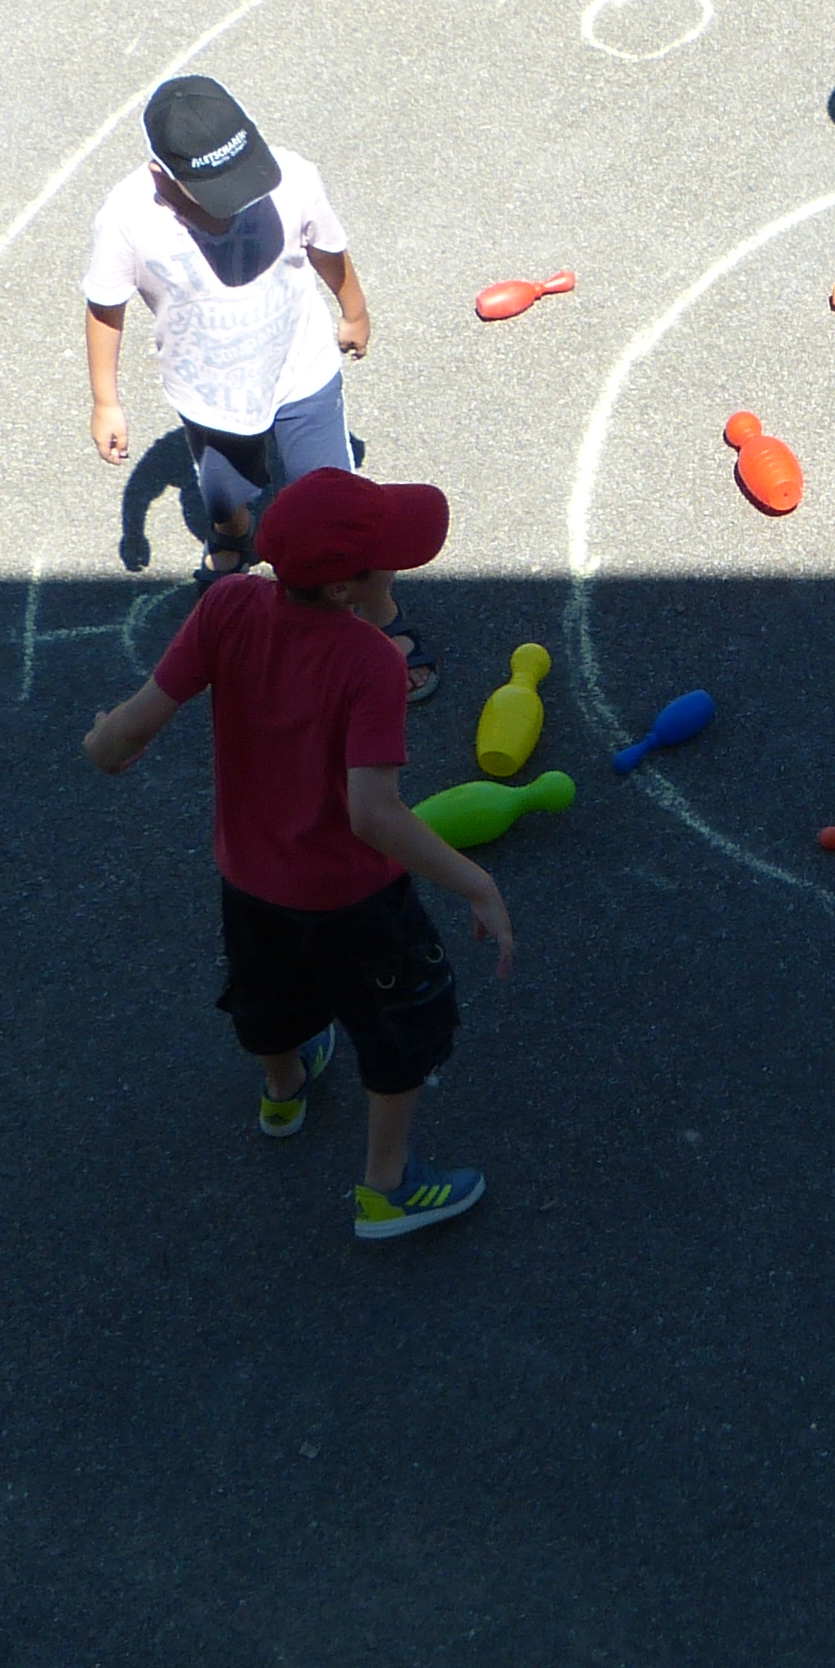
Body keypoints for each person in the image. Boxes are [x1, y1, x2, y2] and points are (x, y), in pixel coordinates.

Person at [81, 464, 514, 1243]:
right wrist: (473, 881)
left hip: (248, 877)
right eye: (388, 561)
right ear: (350, 588)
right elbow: (372, 812)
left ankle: (283, 1092)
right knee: (398, 1024)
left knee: (268, 991)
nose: (399, 570)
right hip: (351, 897)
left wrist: (103, 744)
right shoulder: (371, 663)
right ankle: (386, 1188)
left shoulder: (230, 605)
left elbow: (138, 722)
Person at [82, 76, 428, 689]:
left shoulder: (291, 176)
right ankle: (233, 534)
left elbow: (327, 247)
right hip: (209, 394)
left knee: (340, 515)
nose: (238, 202)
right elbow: (106, 305)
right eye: (216, 193)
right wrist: (106, 399)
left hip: (301, 370)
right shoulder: (127, 218)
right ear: (162, 175)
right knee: (223, 491)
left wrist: (354, 309)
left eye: (245, 181)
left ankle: (376, 616)